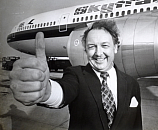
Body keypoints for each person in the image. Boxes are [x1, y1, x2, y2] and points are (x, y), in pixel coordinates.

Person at [9, 20, 142, 130]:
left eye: (105, 45)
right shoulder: (76, 75)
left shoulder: (131, 84)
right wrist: (47, 91)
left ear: (115, 47)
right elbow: (64, 91)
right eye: (92, 47)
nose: (98, 53)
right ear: (85, 50)